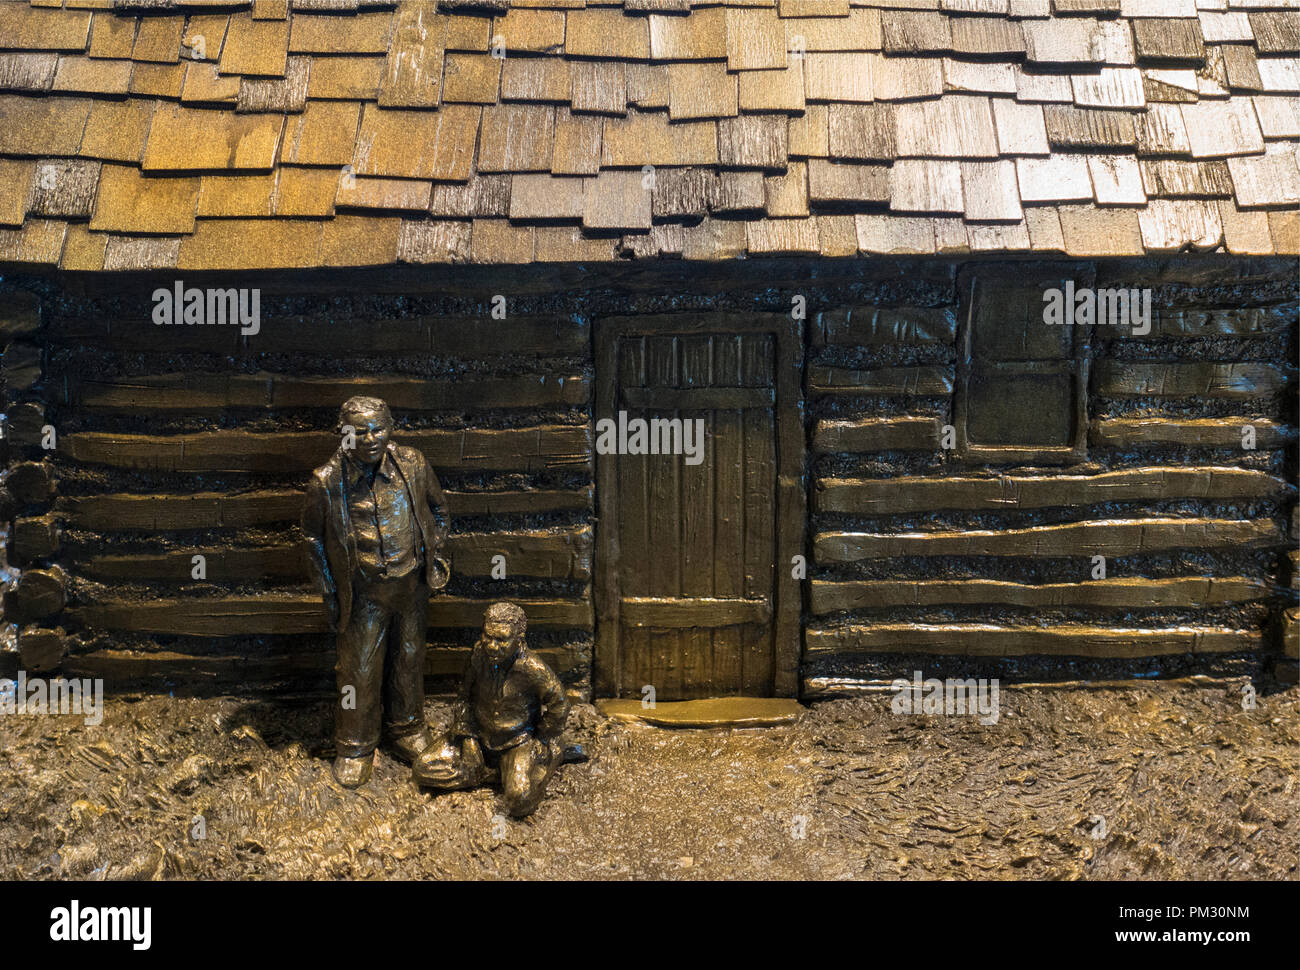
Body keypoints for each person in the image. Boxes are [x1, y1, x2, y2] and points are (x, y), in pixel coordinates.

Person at [302, 396, 450, 788]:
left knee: (409, 658)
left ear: (391, 428)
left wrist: (433, 554)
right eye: (359, 431)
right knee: (360, 670)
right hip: (363, 593)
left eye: (378, 429)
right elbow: (312, 539)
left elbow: (438, 511)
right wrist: (329, 589)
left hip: (411, 586)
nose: (370, 438)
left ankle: (406, 728)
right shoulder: (326, 482)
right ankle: (355, 744)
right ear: (343, 433)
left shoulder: (413, 465)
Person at [414, 602, 571, 817]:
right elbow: (464, 699)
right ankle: (495, 774)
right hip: (479, 736)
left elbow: (560, 704)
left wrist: (542, 737)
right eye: (487, 636)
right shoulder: (478, 656)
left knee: (519, 801)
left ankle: (545, 762)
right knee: (422, 768)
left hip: (516, 742)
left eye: (501, 640)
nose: (492, 645)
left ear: (519, 639)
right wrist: (469, 741)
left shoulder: (533, 668)